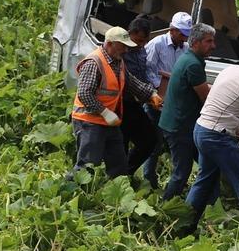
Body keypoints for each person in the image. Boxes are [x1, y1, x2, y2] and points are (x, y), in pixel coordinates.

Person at [185, 45, 239, 228]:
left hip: (201, 129)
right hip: (218, 136)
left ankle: (184, 224)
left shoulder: (231, 70)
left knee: (205, 180)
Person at [68, 27, 162, 179]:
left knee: (119, 164)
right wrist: (104, 112)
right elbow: (85, 94)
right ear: (110, 44)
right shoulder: (94, 62)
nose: (125, 50)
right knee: (87, 166)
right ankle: (72, 193)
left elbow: (131, 82)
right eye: (123, 46)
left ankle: (116, 194)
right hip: (90, 122)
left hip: (109, 122)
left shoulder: (118, 62)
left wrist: (151, 94)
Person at [158, 23, 216, 200]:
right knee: (181, 172)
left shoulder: (188, 59)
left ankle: (209, 201)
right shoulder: (193, 65)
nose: (213, 45)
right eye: (209, 41)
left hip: (179, 124)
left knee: (208, 165)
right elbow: (206, 99)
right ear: (196, 43)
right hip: (180, 127)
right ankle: (166, 207)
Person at [142, 11, 193, 187]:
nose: (185, 39)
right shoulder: (157, 44)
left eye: (187, 35)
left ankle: (176, 178)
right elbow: (147, 71)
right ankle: (148, 179)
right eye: (182, 35)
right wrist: (162, 88)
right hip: (156, 101)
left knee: (175, 143)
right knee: (154, 142)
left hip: (173, 105)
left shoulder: (185, 48)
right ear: (172, 30)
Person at [120, 17, 159, 184]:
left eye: (145, 41)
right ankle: (119, 179)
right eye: (139, 40)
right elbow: (128, 80)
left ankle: (126, 171)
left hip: (137, 102)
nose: (141, 44)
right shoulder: (121, 51)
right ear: (130, 34)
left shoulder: (142, 50)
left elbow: (141, 76)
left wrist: (150, 94)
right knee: (121, 143)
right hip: (119, 104)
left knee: (150, 140)